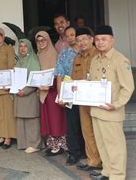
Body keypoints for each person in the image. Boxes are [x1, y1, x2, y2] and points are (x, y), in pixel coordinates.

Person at [88, 25, 135, 180]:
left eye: (104, 39)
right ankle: (107, 171)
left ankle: (117, 175)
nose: (100, 42)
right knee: (102, 145)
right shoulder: (95, 60)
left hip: (111, 111)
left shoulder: (120, 60)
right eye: (97, 39)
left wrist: (116, 104)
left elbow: (128, 87)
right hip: (96, 110)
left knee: (115, 146)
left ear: (112, 40)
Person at [69, 28, 102, 172]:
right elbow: (73, 79)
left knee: (100, 132)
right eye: (78, 40)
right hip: (83, 101)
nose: (81, 42)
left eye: (84, 39)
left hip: (97, 101)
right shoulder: (77, 58)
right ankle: (93, 160)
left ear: (91, 39)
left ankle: (105, 161)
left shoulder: (99, 55)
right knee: (87, 131)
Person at [35, 31, 66, 157]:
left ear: (48, 41)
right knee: (48, 119)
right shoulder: (38, 55)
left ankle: (60, 146)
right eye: (39, 41)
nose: (41, 43)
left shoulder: (54, 54)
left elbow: (59, 74)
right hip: (43, 93)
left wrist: (51, 86)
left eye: (44, 40)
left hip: (53, 92)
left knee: (56, 120)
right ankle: (52, 144)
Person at [54, 26, 82, 165]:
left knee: (86, 125)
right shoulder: (63, 54)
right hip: (70, 94)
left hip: (85, 93)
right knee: (72, 125)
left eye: (73, 34)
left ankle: (88, 152)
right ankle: (74, 153)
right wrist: (61, 95)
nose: (70, 37)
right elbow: (59, 76)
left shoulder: (86, 52)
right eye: (67, 36)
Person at [14, 39, 42, 153]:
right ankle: (24, 143)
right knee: (22, 119)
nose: (22, 48)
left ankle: (34, 144)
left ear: (29, 48)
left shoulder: (33, 60)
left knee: (31, 119)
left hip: (29, 94)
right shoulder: (19, 61)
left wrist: (25, 91)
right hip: (19, 93)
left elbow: (35, 79)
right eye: (20, 46)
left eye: (25, 46)